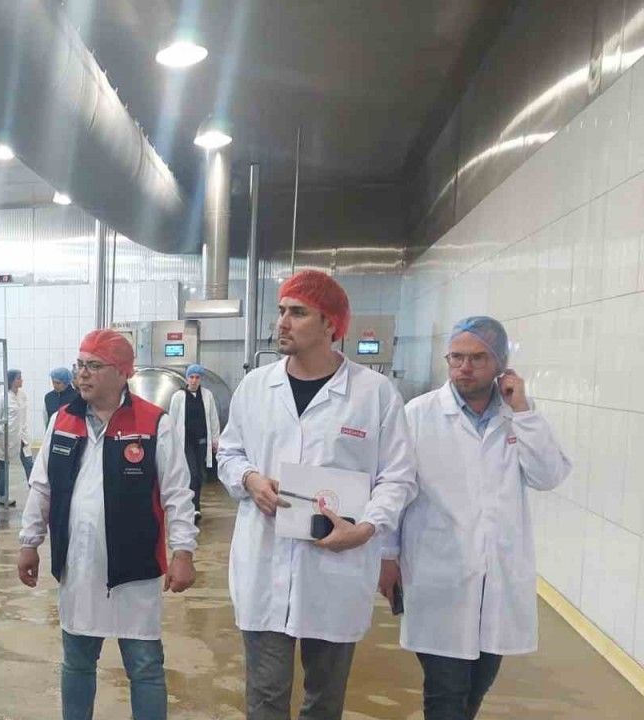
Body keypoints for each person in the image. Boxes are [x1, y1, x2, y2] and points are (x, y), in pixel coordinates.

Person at [216, 270, 417, 720]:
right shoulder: (256, 387)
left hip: (336, 567)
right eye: (281, 311)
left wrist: (367, 529)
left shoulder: (374, 394)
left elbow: (399, 476)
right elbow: (228, 452)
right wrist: (250, 479)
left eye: (298, 312)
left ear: (331, 323)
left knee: (324, 701)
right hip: (265, 562)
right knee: (265, 698)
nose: (282, 322)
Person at [380, 317, 570, 720]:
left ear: (500, 363)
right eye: (456, 357)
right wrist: (386, 554)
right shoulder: (418, 415)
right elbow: (395, 488)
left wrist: (523, 411)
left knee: (475, 688)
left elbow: (548, 476)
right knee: (446, 693)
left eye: (478, 358)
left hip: (498, 579)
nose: (464, 367)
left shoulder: (518, 415)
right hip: (438, 575)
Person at [17, 329, 198, 720]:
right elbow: (42, 486)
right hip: (79, 566)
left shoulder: (153, 422)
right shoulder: (63, 421)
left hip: (135, 570)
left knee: (145, 665)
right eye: (80, 365)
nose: (82, 374)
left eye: (94, 366)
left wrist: (183, 551)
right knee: (77, 661)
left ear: (122, 372)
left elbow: (177, 493)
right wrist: (29, 541)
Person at [167, 364, 221, 522]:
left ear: (201, 379)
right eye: (191, 377)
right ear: (187, 378)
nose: (194, 380)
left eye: (197, 377)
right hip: (185, 442)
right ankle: (190, 507)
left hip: (202, 441)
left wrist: (215, 440)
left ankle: (196, 507)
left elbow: (213, 418)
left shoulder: (207, 395)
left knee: (199, 475)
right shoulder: (178, 397)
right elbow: (172, 420)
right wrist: (171, 441)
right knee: (192, 473)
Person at [0, 368, 31, 507]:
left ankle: (35, 494)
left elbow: (23, 416)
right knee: (3, 466)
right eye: (18, 378)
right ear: (11, 380)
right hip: (7, 437)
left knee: (29, 464)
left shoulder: (22, 395)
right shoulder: (3, 397)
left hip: (22, 436)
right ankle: (3, 497)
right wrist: (1, 433)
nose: (21, 380)